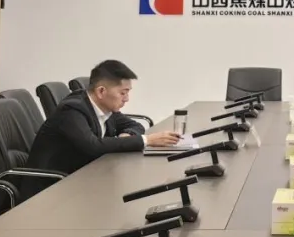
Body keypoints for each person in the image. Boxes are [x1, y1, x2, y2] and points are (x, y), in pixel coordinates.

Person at [22, 60, 181, 199]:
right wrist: (146, 140)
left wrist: (128, 135)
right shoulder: (72, 110)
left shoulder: (104, 107)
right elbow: (93, 145)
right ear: (101, 91)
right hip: (49, 189)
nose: (126, 99)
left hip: (82, 178)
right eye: (123, 93)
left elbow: (135, 125)